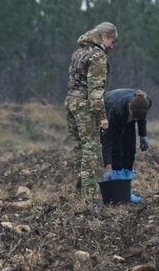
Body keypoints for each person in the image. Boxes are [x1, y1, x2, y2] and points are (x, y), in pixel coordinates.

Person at [65, 22, 118, 201]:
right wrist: (102, 116)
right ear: (104, 37)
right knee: (91, 148)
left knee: (79, 148)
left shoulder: (79, 52)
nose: (112, 46)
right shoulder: (98, 56)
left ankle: (78, 195)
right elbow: (95, 90)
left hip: (70, 102)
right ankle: (88, 199)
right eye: (112, 41)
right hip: (84, 105)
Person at [100, 89, 152, 202]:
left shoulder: (145, 102)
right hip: (111, 112)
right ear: (129, 107)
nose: (135, 120)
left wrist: (143, 135)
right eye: (134, 118)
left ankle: (126, 191)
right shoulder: (115, 109)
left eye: (136, 119)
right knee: (116, 150)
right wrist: (108, 167)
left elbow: (142, 118)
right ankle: (116, 191)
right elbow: (107, 140)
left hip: (127, 114)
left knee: (130, 150)